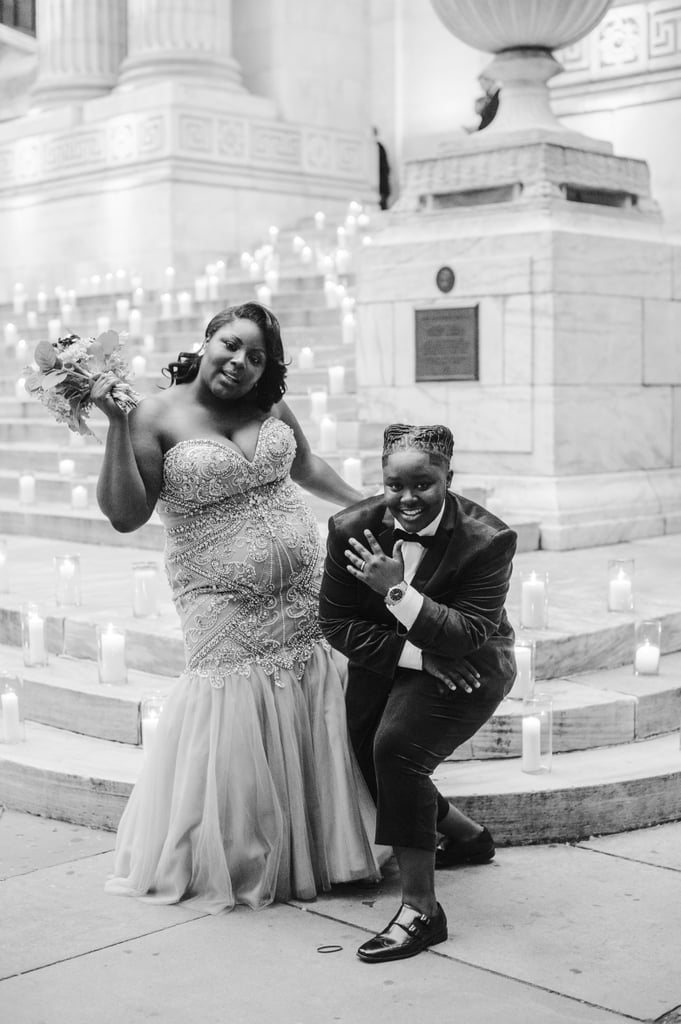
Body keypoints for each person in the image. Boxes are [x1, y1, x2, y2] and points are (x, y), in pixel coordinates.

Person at [93, 302, 383, 913]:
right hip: (218, 598)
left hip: (303, 591)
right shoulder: (152, 413)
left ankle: (328, 844)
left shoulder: (269, 405)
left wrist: (370, 506)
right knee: (233, 708)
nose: (241, 362)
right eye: (231, 344)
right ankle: (243, 853)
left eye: (257, 356)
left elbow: (305, 465)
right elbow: (126, 516)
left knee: (312, 698)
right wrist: (117, 426)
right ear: (205, 340)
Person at [319, 423, 517, 963]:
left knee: (397, 748)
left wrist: (397, 591)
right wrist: (416, 655)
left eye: (424, 485)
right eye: (393, 485)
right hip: (394, 656)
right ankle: (468, 837)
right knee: (365, 752)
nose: (408, 498)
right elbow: (335, 623)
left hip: (471, 663)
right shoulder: (350, 529)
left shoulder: (490, 538)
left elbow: (468, 634)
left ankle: (421, 910)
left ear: (449, 478)